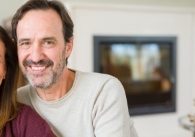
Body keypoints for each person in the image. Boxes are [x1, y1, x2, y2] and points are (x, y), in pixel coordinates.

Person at [11, 0, 139, 136]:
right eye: (25, 43)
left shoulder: (103, 91)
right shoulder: (16, 101)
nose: (36, 57)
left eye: (48, 42)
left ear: (68, 47)